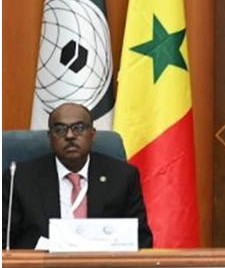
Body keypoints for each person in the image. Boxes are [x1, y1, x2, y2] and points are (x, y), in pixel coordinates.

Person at [2, 103, 153, 249]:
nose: (69, 135)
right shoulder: (19, 178)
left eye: (79, 128)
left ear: (92, 134)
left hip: (104, 264)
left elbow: (140, 239)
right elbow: (4, 240)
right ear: (50, 136)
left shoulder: (122, 176)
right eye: (60, 129)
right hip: (41, 264)